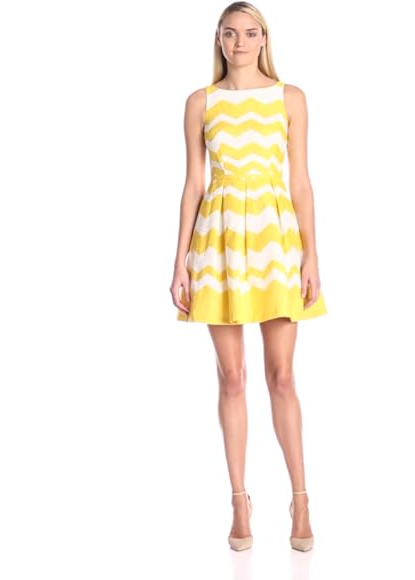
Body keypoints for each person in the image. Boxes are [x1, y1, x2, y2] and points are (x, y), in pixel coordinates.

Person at [169, 1, 327, 551]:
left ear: (264, 39)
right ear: (219, 39)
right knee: (232, 378)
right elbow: (194, 184)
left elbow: (300, 182)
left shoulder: (290, 97)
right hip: (217, 245)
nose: (240, 42)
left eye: (250, 32)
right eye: (230, 33)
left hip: (275, 242)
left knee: (281, 376)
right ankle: (240, 501)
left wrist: (311, 256)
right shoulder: (201, 102)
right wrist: (180, 260)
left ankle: (300, 500)